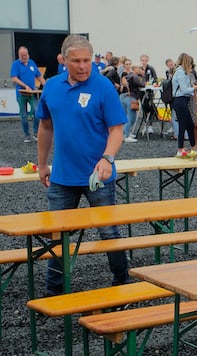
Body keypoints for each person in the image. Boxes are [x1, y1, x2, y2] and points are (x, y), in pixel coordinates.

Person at [35, 34, 130, 296]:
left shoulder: (103, 86)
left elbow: (116, 130)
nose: (82, 66)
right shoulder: (51, 87)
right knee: (58, 235)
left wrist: (107, 158)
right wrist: (42, 164)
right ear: (63, 60)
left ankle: (122, 283)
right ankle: (54, 292)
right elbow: (45, 127)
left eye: (87, 60)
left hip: (99, 176)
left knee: (108, 232)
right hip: (62, 177)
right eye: (76, 61)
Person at [10, 46, 45, 143]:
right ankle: (27, 135)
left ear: (28, 54)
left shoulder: (32, 63)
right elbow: (14, 78)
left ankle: (36, 132)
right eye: (22, 55)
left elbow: (39, 76)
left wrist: (46, 86)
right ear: (19, 55)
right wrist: (25, 86)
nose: (24, 57)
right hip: (21, 94)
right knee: (24, 115)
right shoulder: (15, 64)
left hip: (32, 93)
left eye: (25, 55)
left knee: (37, 111)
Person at [171, 53, 197, 157]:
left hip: (182, 100)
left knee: (189, 124)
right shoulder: (181, 73)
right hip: (180, 100)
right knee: (184, 125)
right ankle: (180, 149)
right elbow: (184, 90)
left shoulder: (180, 72)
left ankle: (192, 147)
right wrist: (194, 88)